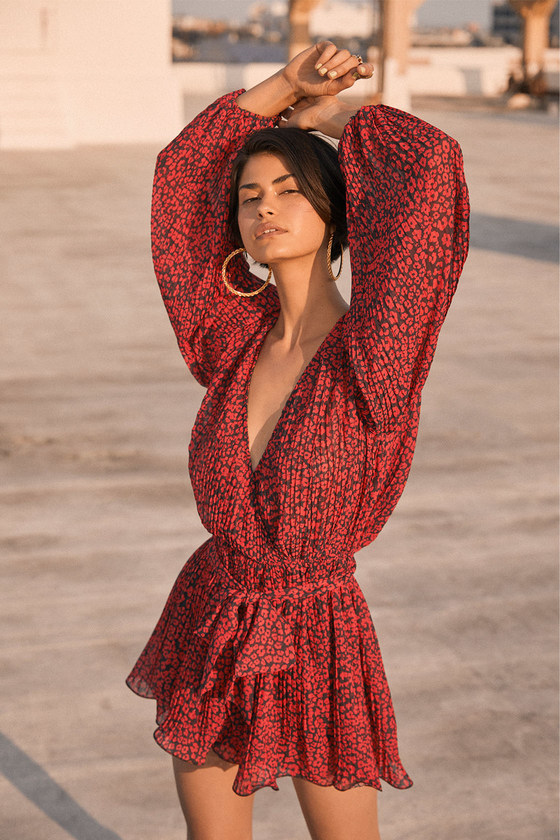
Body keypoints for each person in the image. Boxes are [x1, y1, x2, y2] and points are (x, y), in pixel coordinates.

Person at [126, 41, 469, 840]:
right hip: (214, 614)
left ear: (334, 212)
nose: (264, 208)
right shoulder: (231, 342)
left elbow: (426, 182)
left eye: (288, 190)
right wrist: (280, 87)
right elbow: (181, 191)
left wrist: (334, 120)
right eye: (249, 196)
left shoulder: (375, 355)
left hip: (319, 633)